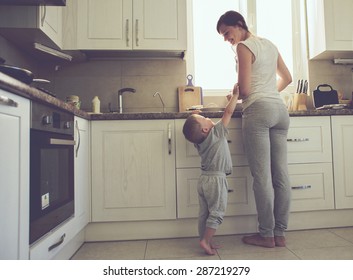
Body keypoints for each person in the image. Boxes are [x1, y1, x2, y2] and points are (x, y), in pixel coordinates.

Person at [216, 10, 293, 248]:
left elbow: (247, 91)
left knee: (262, 177)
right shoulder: (269, 44)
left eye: (227, 33)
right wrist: (267, 95)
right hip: (280, 111)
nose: (227, 39)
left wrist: (237, 93)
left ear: (239, 25)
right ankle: (279, 234)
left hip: (258, 111)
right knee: (280, 175)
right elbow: (287, 78)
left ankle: (266, 234)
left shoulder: (243, 46)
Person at [182, 84, 239, 255]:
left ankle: (204, 239)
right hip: (216, 180)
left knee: (204, 213)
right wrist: (235, 96)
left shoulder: (199, 142)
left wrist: (230, 100)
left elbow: (200, 126)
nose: (207, 117)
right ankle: (206, 241)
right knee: (217, 212)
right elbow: (228, 113)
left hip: (204, 180)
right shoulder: (216, 133)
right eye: (205, 118)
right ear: (206, 129)